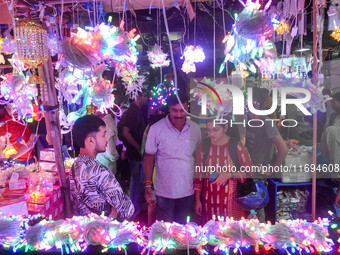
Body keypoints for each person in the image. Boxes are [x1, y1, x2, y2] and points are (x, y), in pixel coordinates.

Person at [144, 93, 201, 224]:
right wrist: (147, 185)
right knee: (166, 233)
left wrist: (199, 193)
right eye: (174, 110)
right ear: (168, 109)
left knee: (183, 233)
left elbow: (199, 159)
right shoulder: (156, 129)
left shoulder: (195, 129)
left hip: (188, 191)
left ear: (188, 108)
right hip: (164, 192)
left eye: (183, 110)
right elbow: (149, 157)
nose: (179, 114)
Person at [70, 115, 134, 219]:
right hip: (100, 230)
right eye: (103, 135)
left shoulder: (76, 165)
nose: (107, 139)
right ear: (91, 141)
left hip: (82, 228)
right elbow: (128, 210)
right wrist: (116, 207)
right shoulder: (100, 171)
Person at [194, 118, 253, 223]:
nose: (211, 133)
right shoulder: (204, 146)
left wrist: (230, 174)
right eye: (209, 130)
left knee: (230, 235)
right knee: (211, 234)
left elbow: (250, 172)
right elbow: (199, 175)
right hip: (209, 203)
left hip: (232, 203)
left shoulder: (236, 146)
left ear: (225, 128)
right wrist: (197, 200)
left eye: (215, 130)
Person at [121, 90, 148, 219]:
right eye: (145, 96)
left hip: (134, 153)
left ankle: (133, 210)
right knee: (137, 182)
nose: (147, 99)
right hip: (135, 153)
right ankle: (133, 211)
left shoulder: (135, 110)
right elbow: (125, 132)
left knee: (136, 181)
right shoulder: (133, 111)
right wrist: (138, 147)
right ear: (138, 96)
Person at [0, 96, 37, 165]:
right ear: (5, 108)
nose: (15, 111)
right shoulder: (3, 124)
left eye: (17, 108)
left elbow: (32, 141)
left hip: (32, 159)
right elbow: (1, 147)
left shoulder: (28, 119)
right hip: (15, 161)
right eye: (11, 108)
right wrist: (6, 161)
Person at [96, 110, 119, 175]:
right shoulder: (105, 122)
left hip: (106, 167)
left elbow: (110, 150)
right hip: (104, 166)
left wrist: (115, 157)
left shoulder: (106, 124)